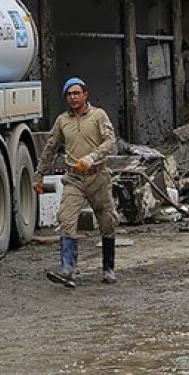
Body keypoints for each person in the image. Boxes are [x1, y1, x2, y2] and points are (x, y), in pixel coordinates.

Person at [35, 77, 119, 287]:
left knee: (107, 221)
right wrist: (39, 175)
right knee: (66, 218)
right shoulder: (62, 121)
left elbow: (110, 141)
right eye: (69, 94)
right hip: (74, 178)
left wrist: (92, 157)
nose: (73, 98)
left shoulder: (98, 116)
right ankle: (67, 270)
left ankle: (108, 268)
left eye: (76, 93)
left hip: (97, 175)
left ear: (85, 94)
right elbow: (50, 148)